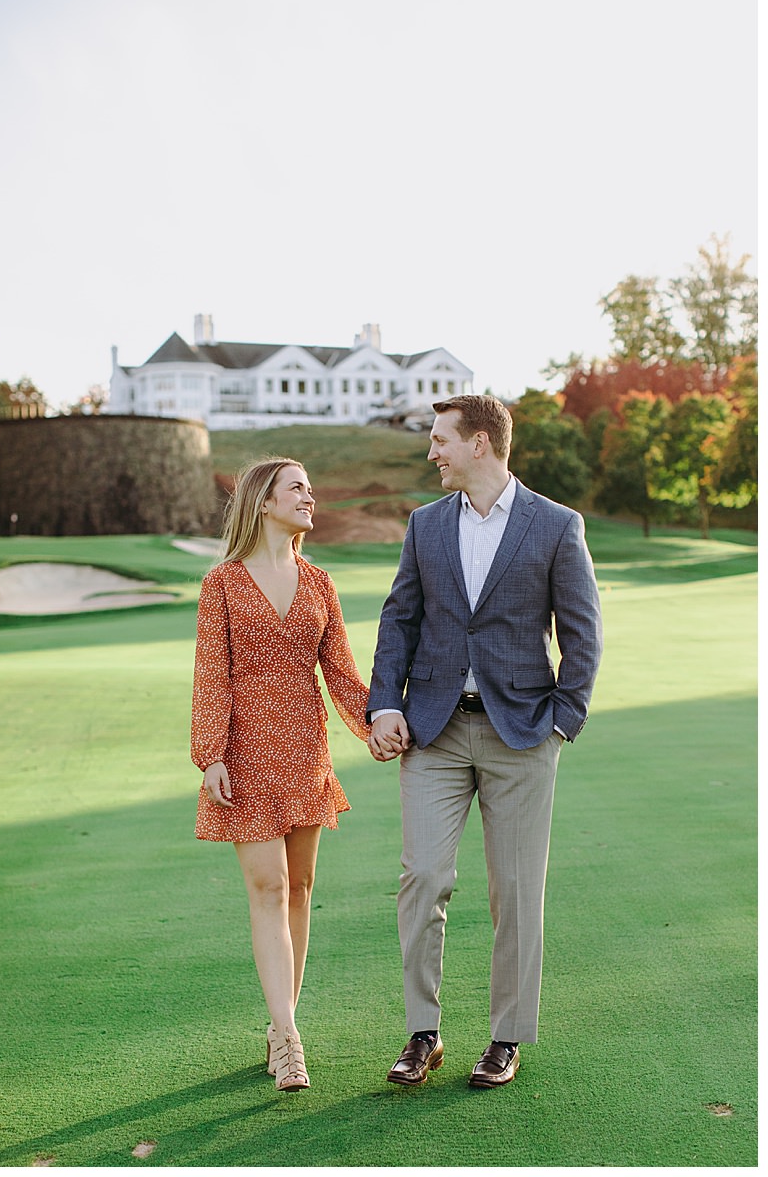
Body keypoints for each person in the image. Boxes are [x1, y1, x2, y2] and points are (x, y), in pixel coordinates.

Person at [367, 393, 602, 1090]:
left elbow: (582, 633)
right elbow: (399, 620)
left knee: (517, 892)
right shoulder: (424, 525)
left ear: (480, 443)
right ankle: (422, 1032)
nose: (432, 452)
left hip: (523, 734)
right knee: (424, 878)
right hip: (434, 731)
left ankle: (506, 1037)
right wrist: (385, 705)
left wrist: (565, 719)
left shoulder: (557, 525)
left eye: (441, 440)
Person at [191, 458, 373, 1092]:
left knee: (299, 886)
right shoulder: (222, 584)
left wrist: (375, 725)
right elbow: (211, 675)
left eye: (309, 487)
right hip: (244, 756)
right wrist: (210, 753)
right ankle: (289, 1037)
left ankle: (278, 1024)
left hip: (305, 751)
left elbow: (344, 675)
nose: (309, 495)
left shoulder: (320, 583)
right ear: (263, 501)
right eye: (297, 487)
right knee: (267, 888)